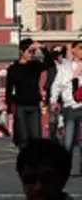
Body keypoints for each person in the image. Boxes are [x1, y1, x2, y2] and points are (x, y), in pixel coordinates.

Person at [8, 39, 55, 148]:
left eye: (33, 52)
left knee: (36, 138)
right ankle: (24, 162)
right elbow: (9, 88)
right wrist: (9, 107)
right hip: (20, 106)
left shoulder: (35, 66)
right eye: (29, 51)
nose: (31, 54)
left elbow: (50, 63)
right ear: (21, 52)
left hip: (34, 105)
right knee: (23, 138)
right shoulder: (13, 68)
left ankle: (35, 162)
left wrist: (42, 47)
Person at [50, 41, 82, 172]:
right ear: (73, 50)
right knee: (68, 141)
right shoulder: (65, 68)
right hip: (69, 107)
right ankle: (65, 167)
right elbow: (56, 85)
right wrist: (53, 100)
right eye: (80, 48)